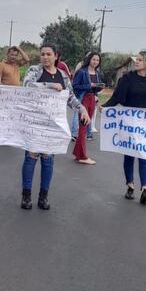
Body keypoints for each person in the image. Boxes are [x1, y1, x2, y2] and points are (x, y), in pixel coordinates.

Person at [21, 44, 90, 210]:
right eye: (42, 54)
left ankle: (43, 196)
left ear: (55, 56)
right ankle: (26, 195)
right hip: (34, 121)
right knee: (31, 156)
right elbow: (26, 86)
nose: (45, 57)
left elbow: (70, 97)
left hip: (53, 125)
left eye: (48, 54)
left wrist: (82, 109)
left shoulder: (63, 75)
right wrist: (49, 86)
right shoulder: (34, 70)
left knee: (47, 158)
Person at [103, 50, 146, 204]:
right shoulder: (127, 78)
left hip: (145, 125)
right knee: (129, 155)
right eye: (137, 59)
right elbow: (116, 96)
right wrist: (105, 106)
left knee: (144, 155)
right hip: (129, 123)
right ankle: (130, 185)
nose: (136, 62)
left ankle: (145, 189)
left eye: (140, 60)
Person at [72, 51, 104, 165]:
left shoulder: (97, 73)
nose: (95, 62)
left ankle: (78, 153)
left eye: (97, 60)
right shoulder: (81, 72)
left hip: (92, 99)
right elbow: (74, 86)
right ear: (89, 59)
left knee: (85, 126)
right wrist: (88, 86)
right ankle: (82, 156)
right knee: (83, 127)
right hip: (83, 100)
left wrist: (99, 88)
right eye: (93, 59)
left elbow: (95, 88)